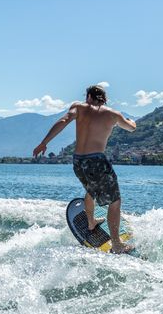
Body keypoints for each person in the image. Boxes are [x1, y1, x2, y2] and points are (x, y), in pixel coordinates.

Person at [33, 85, 136, 254]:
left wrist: (44, 142)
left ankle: (91, 221)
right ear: (105, 99)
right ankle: (117, 244)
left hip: (78, 162)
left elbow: (63, 121)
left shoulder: (77, 108)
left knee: (91, 190)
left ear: (88, 96)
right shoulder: (112, 114)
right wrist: (132, 122)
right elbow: (131, 128)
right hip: (97, 161)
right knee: (115, 201)